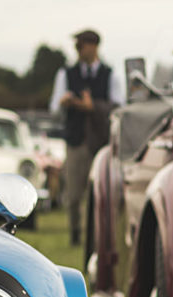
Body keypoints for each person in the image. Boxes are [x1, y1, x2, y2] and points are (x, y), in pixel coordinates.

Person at [50, 29, 125, 246]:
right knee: (73, 195)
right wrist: (64, 103)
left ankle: (97, 236)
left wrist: (93, 107)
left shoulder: (111, 74)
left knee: (101, 195)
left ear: (93, 47)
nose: (78, 50)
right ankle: (75, 234)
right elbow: (54, 107)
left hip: (100, 143)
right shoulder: (66, 73)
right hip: (75, 141)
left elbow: (119, 107)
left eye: (81, 46)